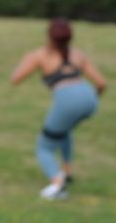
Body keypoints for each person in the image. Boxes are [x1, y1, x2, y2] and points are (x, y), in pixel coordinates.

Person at [9, 18, 107, 200]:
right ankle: (67, 172)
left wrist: (25, 59)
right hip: (89, 97)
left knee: (44, 146)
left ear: (49, 37)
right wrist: (90, 100)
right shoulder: (78, 55)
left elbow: (15, 79)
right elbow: (101, 83)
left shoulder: (40, 55)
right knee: (63, 131)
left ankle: (57, 184)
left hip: (67, 101)